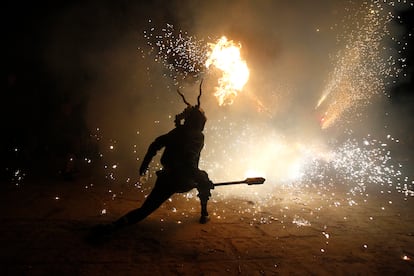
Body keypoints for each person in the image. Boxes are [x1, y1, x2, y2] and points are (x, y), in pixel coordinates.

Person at [95, 82, 214, 236]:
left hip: (166, 178)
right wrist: (203, 181)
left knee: (144, 210)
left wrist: (144, 165)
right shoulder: (197, 136)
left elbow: (155, 144)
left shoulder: (176, 132)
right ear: (199, 122)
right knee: (203, 177)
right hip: (183, 180)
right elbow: (189, 164)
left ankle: (114, 226)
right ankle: (204, 212)